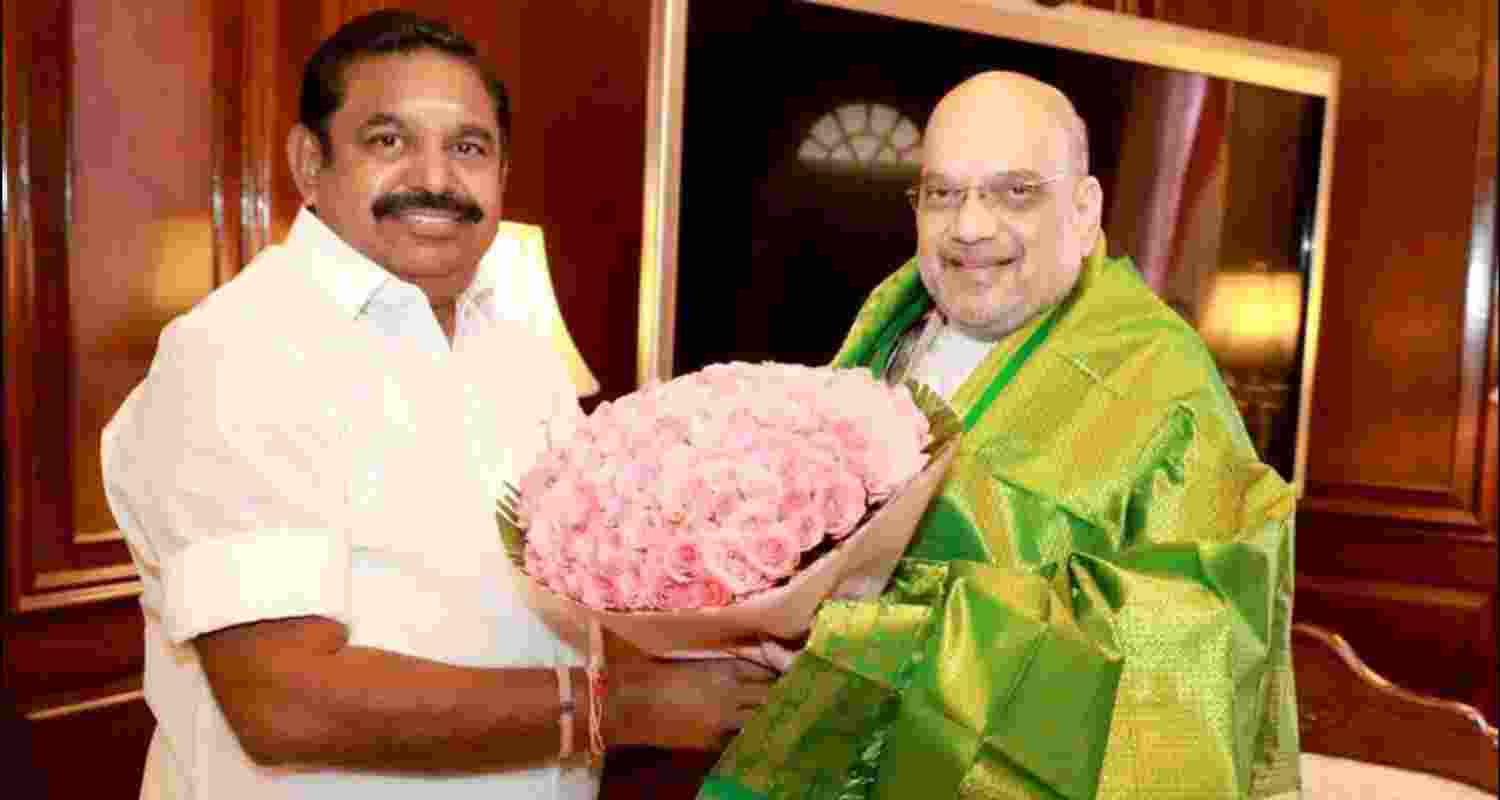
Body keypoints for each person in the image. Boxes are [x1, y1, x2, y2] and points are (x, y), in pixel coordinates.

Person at [102, 10, 771, 800]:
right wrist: (617, 706)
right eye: (389, 140)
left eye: (468, 148)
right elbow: (284, 700)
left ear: (503, 173)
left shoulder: (519, 353)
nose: (437, 179)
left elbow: (574, 606)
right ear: (310, 162)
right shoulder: (237, 352)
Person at [703, 71, 1298, 799]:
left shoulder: (1159, 383)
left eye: (1014, 191)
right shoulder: (892, 325)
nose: (970, 227)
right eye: (942, 193)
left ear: (1085, 209)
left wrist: (885, 643)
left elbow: (1190, 649)